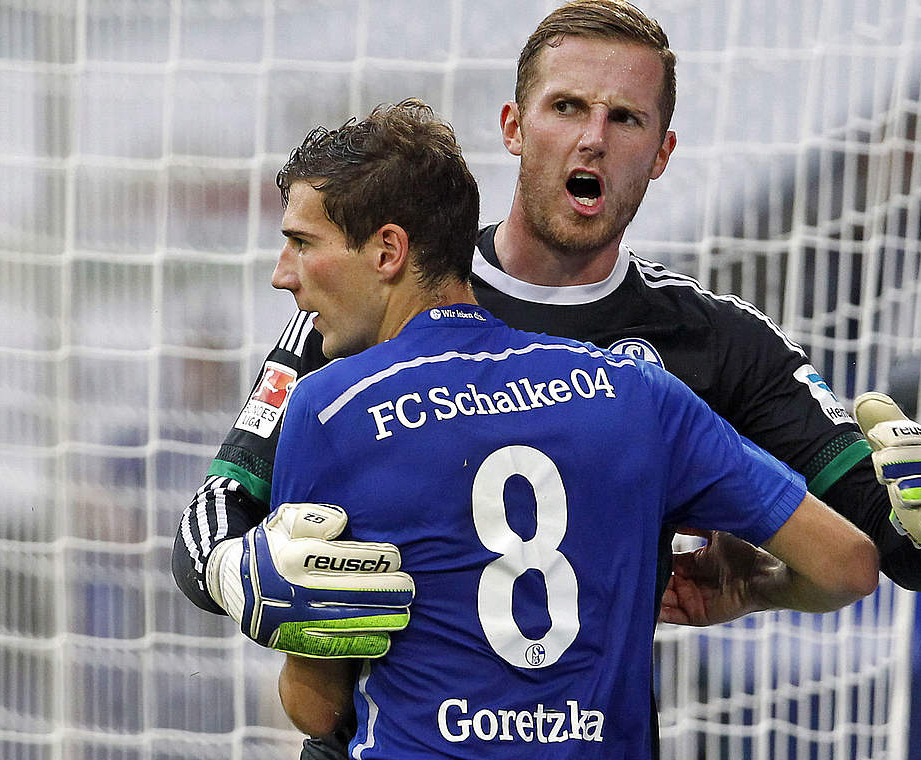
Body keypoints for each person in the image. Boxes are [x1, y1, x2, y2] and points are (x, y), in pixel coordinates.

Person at [171, 0, 921, 754]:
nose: (593, 138)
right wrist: (243, 572)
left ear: (661, 154)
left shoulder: (714, 345)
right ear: (514, 127)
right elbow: (214, 517)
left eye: (624, 118)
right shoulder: (371, 303)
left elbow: (890, 546)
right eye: (567, 108)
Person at [246, 97, 877, 758]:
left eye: (300, 243)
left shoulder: (330, 410)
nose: (281, 274)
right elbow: (850, 564)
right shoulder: (636, 392)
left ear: (388, 252)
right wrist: (754, 585)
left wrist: (293, 629)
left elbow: (318, 710)